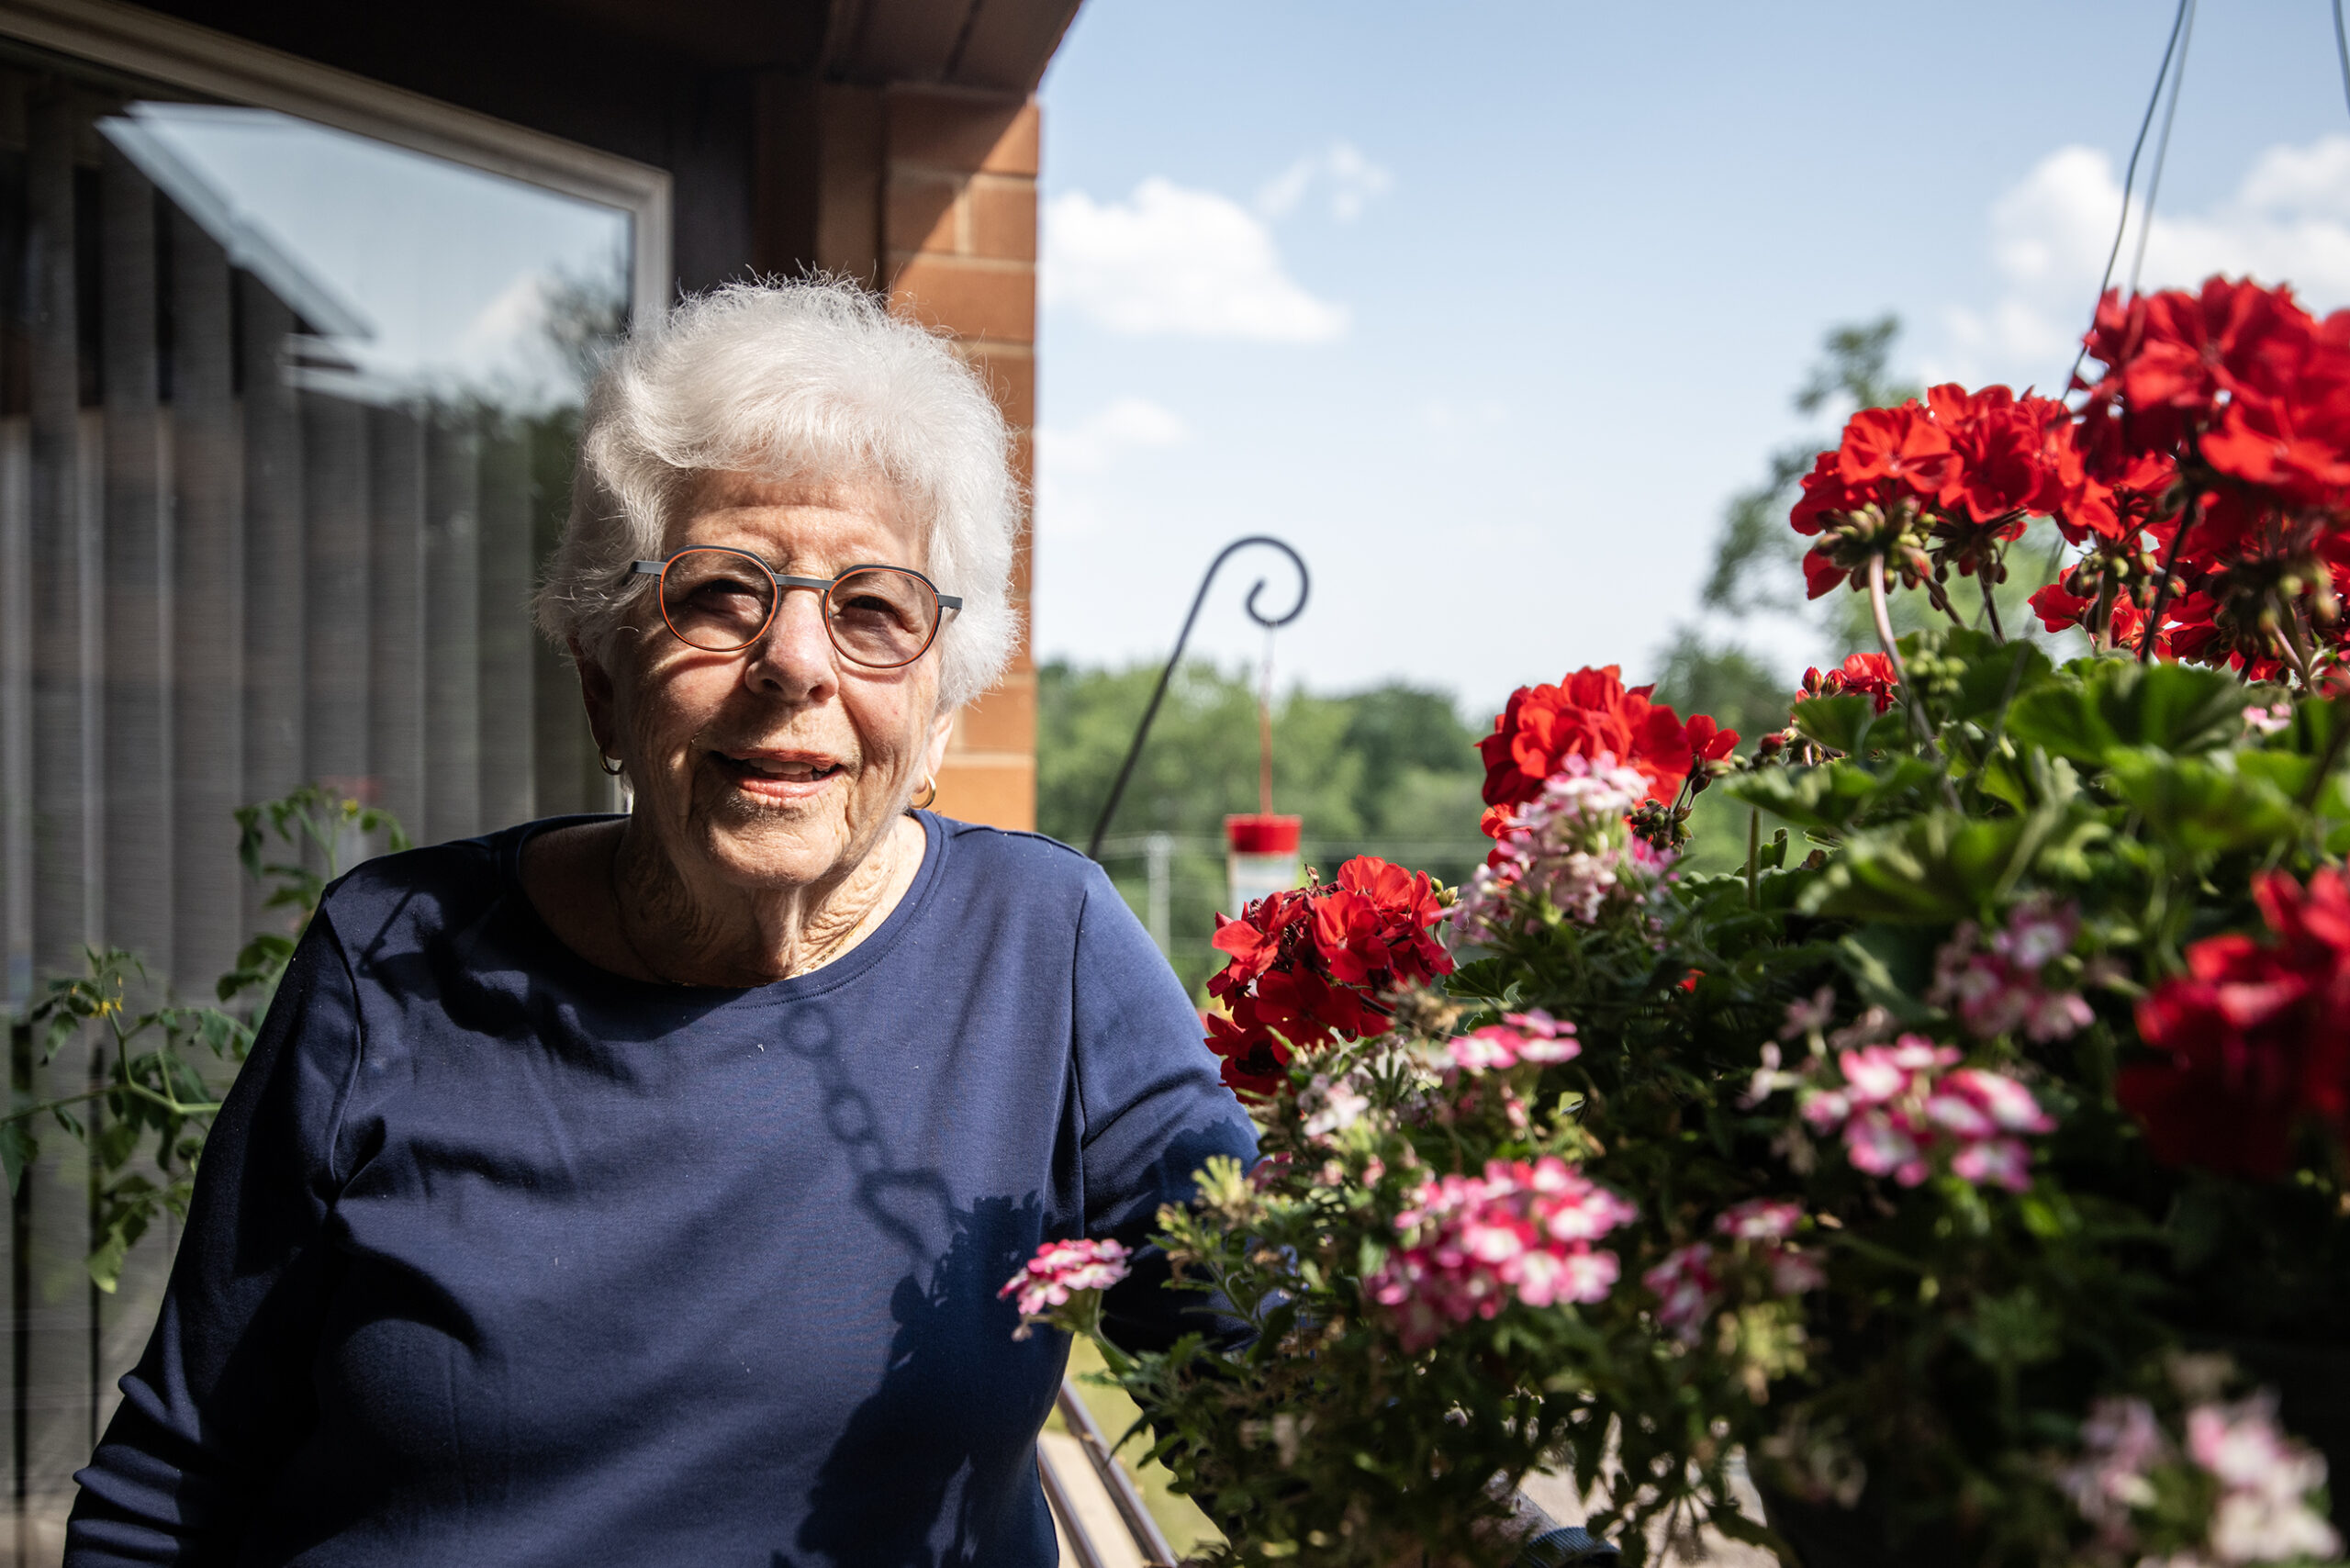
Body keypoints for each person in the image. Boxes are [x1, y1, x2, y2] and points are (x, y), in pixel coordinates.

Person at [63, 279, 1257, 1567]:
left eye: (872, 609)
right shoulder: (395, 956)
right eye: (721, 591)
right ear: (602, 686)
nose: (795, 660)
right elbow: (177, 1483)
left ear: (939, 719)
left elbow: (1278, 1380)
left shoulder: (1047, 952)